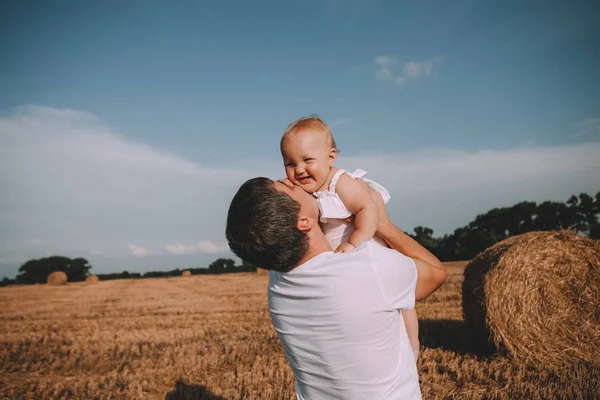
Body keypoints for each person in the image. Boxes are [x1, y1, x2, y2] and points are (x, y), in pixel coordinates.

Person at [226, 177, 447, 399]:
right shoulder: (366, 268)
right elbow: (435, 274)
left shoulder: (278, 284)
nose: (290, 178)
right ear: (303, 221)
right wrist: (381, 223)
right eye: (290, 187)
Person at [280, 115, 420, 360]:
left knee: (400, 302)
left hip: (365, 247)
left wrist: (354, 242)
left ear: (331, 157)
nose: (299, 169)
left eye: (307, 160)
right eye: (290, 164)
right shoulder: (306, 188)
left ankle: (413, 345)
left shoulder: (340, 183)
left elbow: (368, 209)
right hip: (339, 258)